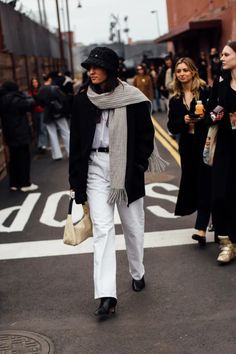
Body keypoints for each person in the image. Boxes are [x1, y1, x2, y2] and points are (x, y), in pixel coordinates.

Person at [69, 47, 156, 319]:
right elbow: (76, 144)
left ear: (111, 69)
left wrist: (138, 166)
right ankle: (107, 296)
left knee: (133, 227)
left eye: (96, 66)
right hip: (95, 169)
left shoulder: (133, 99)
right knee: (103, 232)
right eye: (88, 67)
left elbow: (145, 138)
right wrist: (76, 185)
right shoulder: (83, 101)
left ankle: (137, 270)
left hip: (126, 171)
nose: (91, 71)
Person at [167, 57, 211, 245]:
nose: (182, 74)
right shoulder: (175, 99)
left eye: (185, 70)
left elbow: (217, 114)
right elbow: (171, 126)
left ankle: (201, 228)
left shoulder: (206, 92)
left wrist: (205, 118)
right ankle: (214, 220)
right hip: (187, 146)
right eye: (179, 71)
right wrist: (184, 121)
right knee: (194, 183)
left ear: (193, 71)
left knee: (206, 182)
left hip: (207, 144)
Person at [206, 41, 236, 263]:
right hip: (225, 145)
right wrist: (214, 115)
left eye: (226, 54)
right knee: (220, 193)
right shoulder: (221, 82)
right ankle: (226, 243)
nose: (222, 58)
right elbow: (212, 108)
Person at [0, 80, 38, 192]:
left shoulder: (2, 100)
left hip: (9, 134)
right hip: (20, 133)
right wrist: (23, 94)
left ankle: (14, 183)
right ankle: (25, 183)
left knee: (14, 159)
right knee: (24, 159)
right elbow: (31, 103)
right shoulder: (17, 100)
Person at [37, 73, 70, 160]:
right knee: (65, 132)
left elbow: (40, 103)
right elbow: (64, 98)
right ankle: (70, 151)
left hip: (47, 114)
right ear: (50, 79)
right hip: (58, 113)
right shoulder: (54, 88)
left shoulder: (40, 90)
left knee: (52, 134)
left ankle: (57, 155)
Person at [28, 77, 48, 154]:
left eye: (36, 82)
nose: (35, 84)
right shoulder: (31, 92)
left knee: (43, 128)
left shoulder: (41, 90)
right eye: (33, 82)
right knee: (38, 128)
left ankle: (43, 145)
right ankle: (40, 144)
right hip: (35, 112)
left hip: (42, 111)